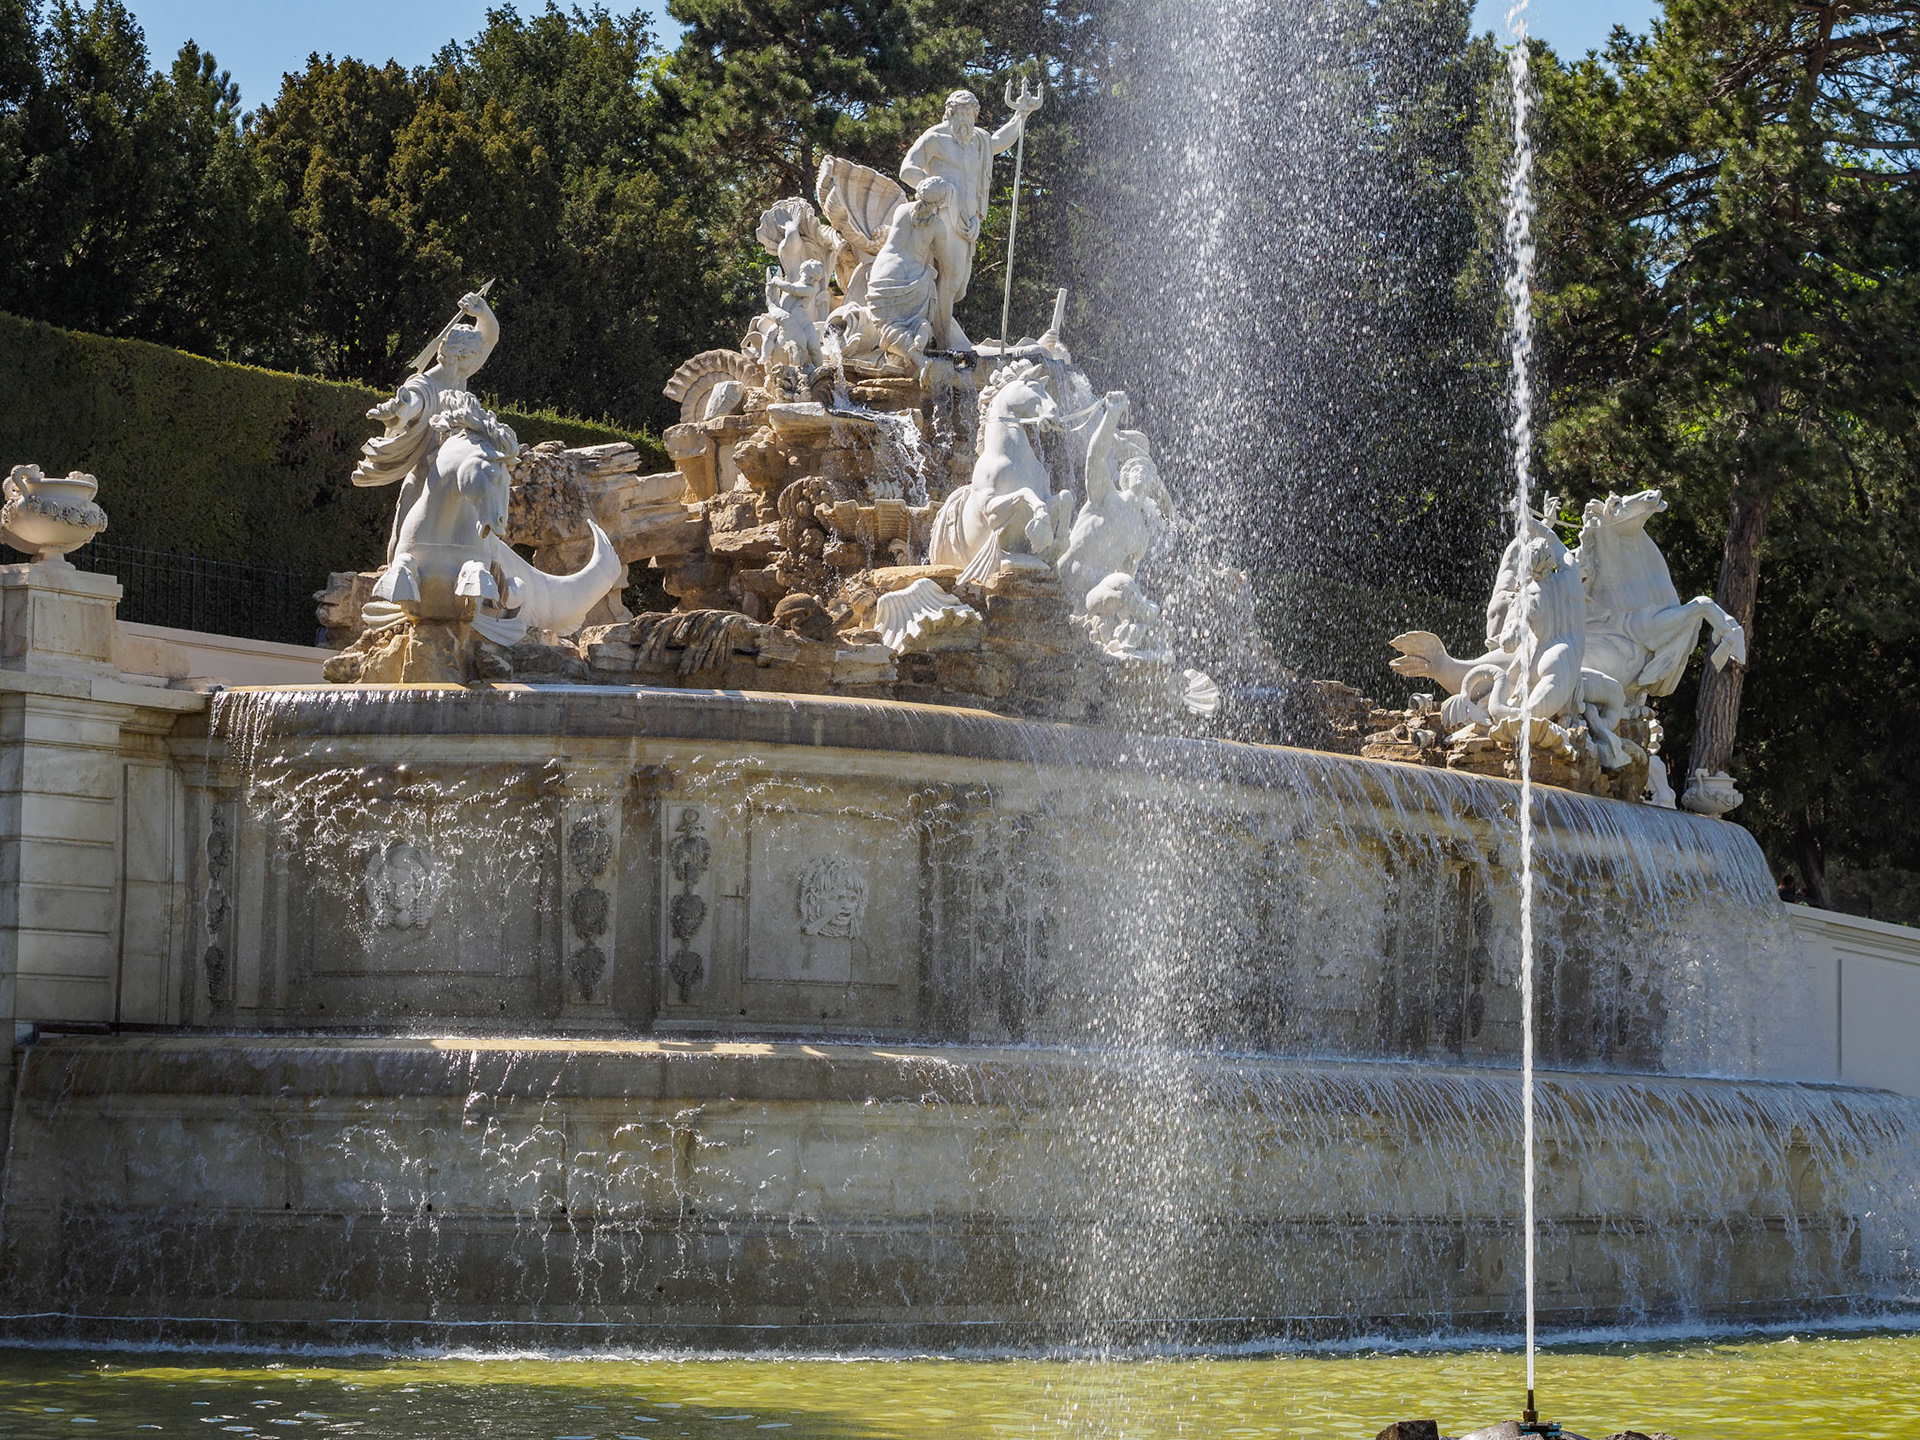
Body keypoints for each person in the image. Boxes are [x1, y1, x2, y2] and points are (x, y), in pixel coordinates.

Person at [353, 291, 501, 563]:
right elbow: (414, 401)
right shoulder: (425, 384)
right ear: (459, 356)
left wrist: (482, 312)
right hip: (426, 475)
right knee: (403, 539)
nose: (479, 362)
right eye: (474, 356)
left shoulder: (460, 374)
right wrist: (401, 409)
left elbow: (490, 337)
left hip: (457, 475)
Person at [898, 87, 1042, 351]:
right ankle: (943, 342)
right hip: (941, 217)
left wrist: (1020, 116)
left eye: (970, 114)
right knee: (951, 278)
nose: (965, 120)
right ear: (949, 114)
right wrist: (934, 188)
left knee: (958, 284)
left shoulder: (978, 141)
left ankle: (936, 330)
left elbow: (998, 142)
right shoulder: (935, 137)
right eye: (959, 113)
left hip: (968, 223)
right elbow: (907, 170)